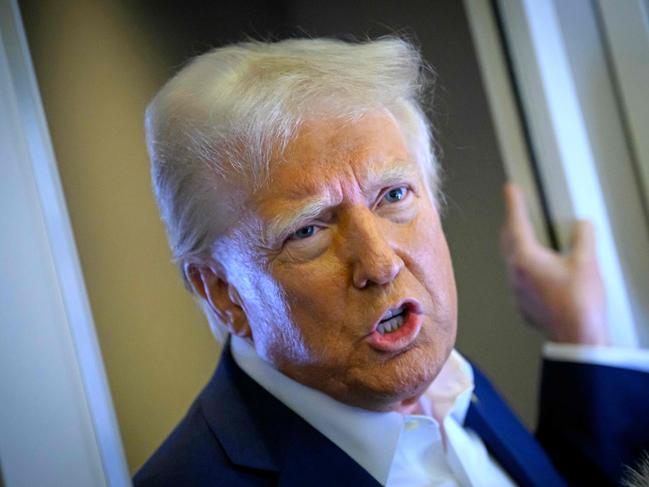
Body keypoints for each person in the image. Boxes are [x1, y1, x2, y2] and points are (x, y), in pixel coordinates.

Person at [134, 37, 649, 486]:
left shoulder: (440, 374)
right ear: (223, 292)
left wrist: (580, 333)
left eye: (394, 194)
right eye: (309, 229)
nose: (379, 265)